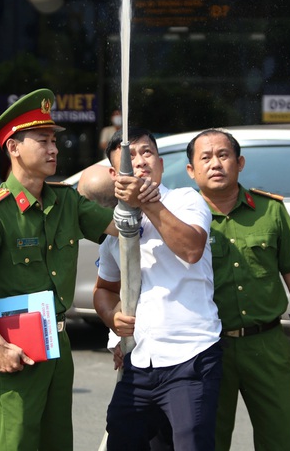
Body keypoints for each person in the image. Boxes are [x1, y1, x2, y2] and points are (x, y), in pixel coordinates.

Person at [0, 89, 157, 451]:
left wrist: (134, 187)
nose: (53, 149)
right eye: (42, 141)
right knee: (19, 442)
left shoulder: (66, 201)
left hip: (58, 342)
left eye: (54, 141)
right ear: (13, 147)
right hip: (14, 346)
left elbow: (121, 226)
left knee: (58, 442)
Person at [185, 129, 290, 451]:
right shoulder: (182, 217)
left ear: (240, 162)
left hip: (266, 344)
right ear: (191, 171)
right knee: (208, 440)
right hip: (207, 347)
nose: (216, 164)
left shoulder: (270, 210)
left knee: (282, 437)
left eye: (223, 155)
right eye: (205, 158)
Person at [94, 127, 223, 451]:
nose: (139, 161)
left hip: (191, 357)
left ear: (161, 163)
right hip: (139, 362)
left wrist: (147, 203)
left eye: (146, 152)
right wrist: (112, 316)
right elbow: (104, 289)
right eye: (129, 157)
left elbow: (191, 249)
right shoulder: (115, 229)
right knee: (121, 440)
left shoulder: (185, 200)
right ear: (115, 174)